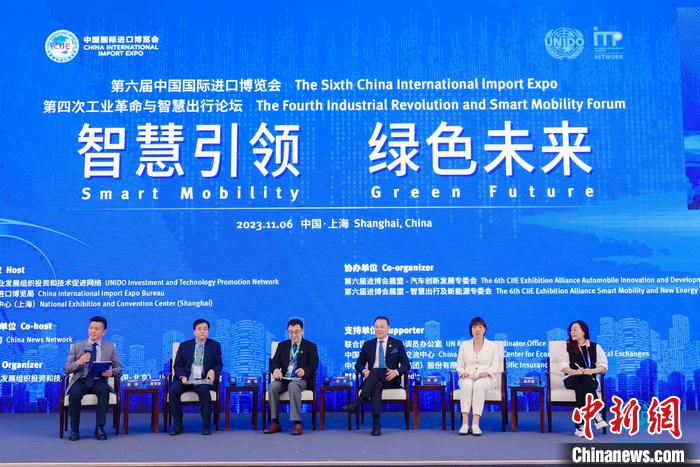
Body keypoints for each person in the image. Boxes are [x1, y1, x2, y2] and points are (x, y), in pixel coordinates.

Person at [342, 316, 410, 436]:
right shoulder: (368, 345)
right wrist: (364, 371)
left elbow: (406, 365)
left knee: (376, 372)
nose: (379, 329)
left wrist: (395, 372)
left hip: (390, 379)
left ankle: (357, 403)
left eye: (382, 327)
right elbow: (358, 364)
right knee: (377, 383)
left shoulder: (397, 344)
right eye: (376, 327)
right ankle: (376, 425)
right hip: (373, 379)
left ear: (388, 328)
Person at [63, 315, 122, 441]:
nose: (93, 331)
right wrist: (78, 362)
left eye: (96, 329)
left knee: (104, 391)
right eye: (91, 328)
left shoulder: (110, 347)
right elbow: (66, 369)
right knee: (75, 394)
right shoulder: (77, 346)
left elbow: (119, 368)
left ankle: (100, 428)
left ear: (103, 332)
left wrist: (112, 372)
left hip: (99, 380)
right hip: (81, 379)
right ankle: (74, 430)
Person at [264, 318, 319, 435]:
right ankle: (275, 422)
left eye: (296, 332)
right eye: (291, 332)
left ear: (302, 331)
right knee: (272, 386)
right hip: (284, 379)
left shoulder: (310, 346)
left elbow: (314, 365)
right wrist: (275, 370)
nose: (293, 335)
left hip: (301, 380)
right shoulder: (282, 345)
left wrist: (304, 370)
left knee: (293, 386)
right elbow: (273, 362)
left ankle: (297, 423)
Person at [169, 318, 223, 436]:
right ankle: (178, 426)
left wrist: (213, 371)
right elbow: (177, 365)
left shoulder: (215, 345)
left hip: (202, 379)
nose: (202, 331)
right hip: (185, 379)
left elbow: (219, 364)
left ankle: (206, 427)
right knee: (173, 390)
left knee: (204, 391)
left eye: (205, 329)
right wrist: (182, 376)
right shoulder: (184, 346)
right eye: (199, 329)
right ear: (194, 331)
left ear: (208, 331)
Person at [558, 320, 608, 438]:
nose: (572, 332)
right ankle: (596, 414)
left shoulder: (595, 347)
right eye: (571, 330)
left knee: (583, 382)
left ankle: (580, 426)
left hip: (590, 381)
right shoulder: (566, 346)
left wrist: (591, 371)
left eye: (575, 329)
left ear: (584, 331)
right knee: (582, 379)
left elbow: (603, 367)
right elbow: (563, 366)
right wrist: (575, 372)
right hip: (571, 379)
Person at [455, 317, 500, 436]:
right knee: (467, 384)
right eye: (474, 327)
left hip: (487, 379)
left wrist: (487, 372)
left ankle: (475, 424)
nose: (477, 330)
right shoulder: (464, 345)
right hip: (468, 377)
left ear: (485, 329)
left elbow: (496, 366)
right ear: (471, 330)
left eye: (480, 327)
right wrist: (463, 372)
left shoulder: (492, 345)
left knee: (478, 385)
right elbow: (459, 366)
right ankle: (465, 423)